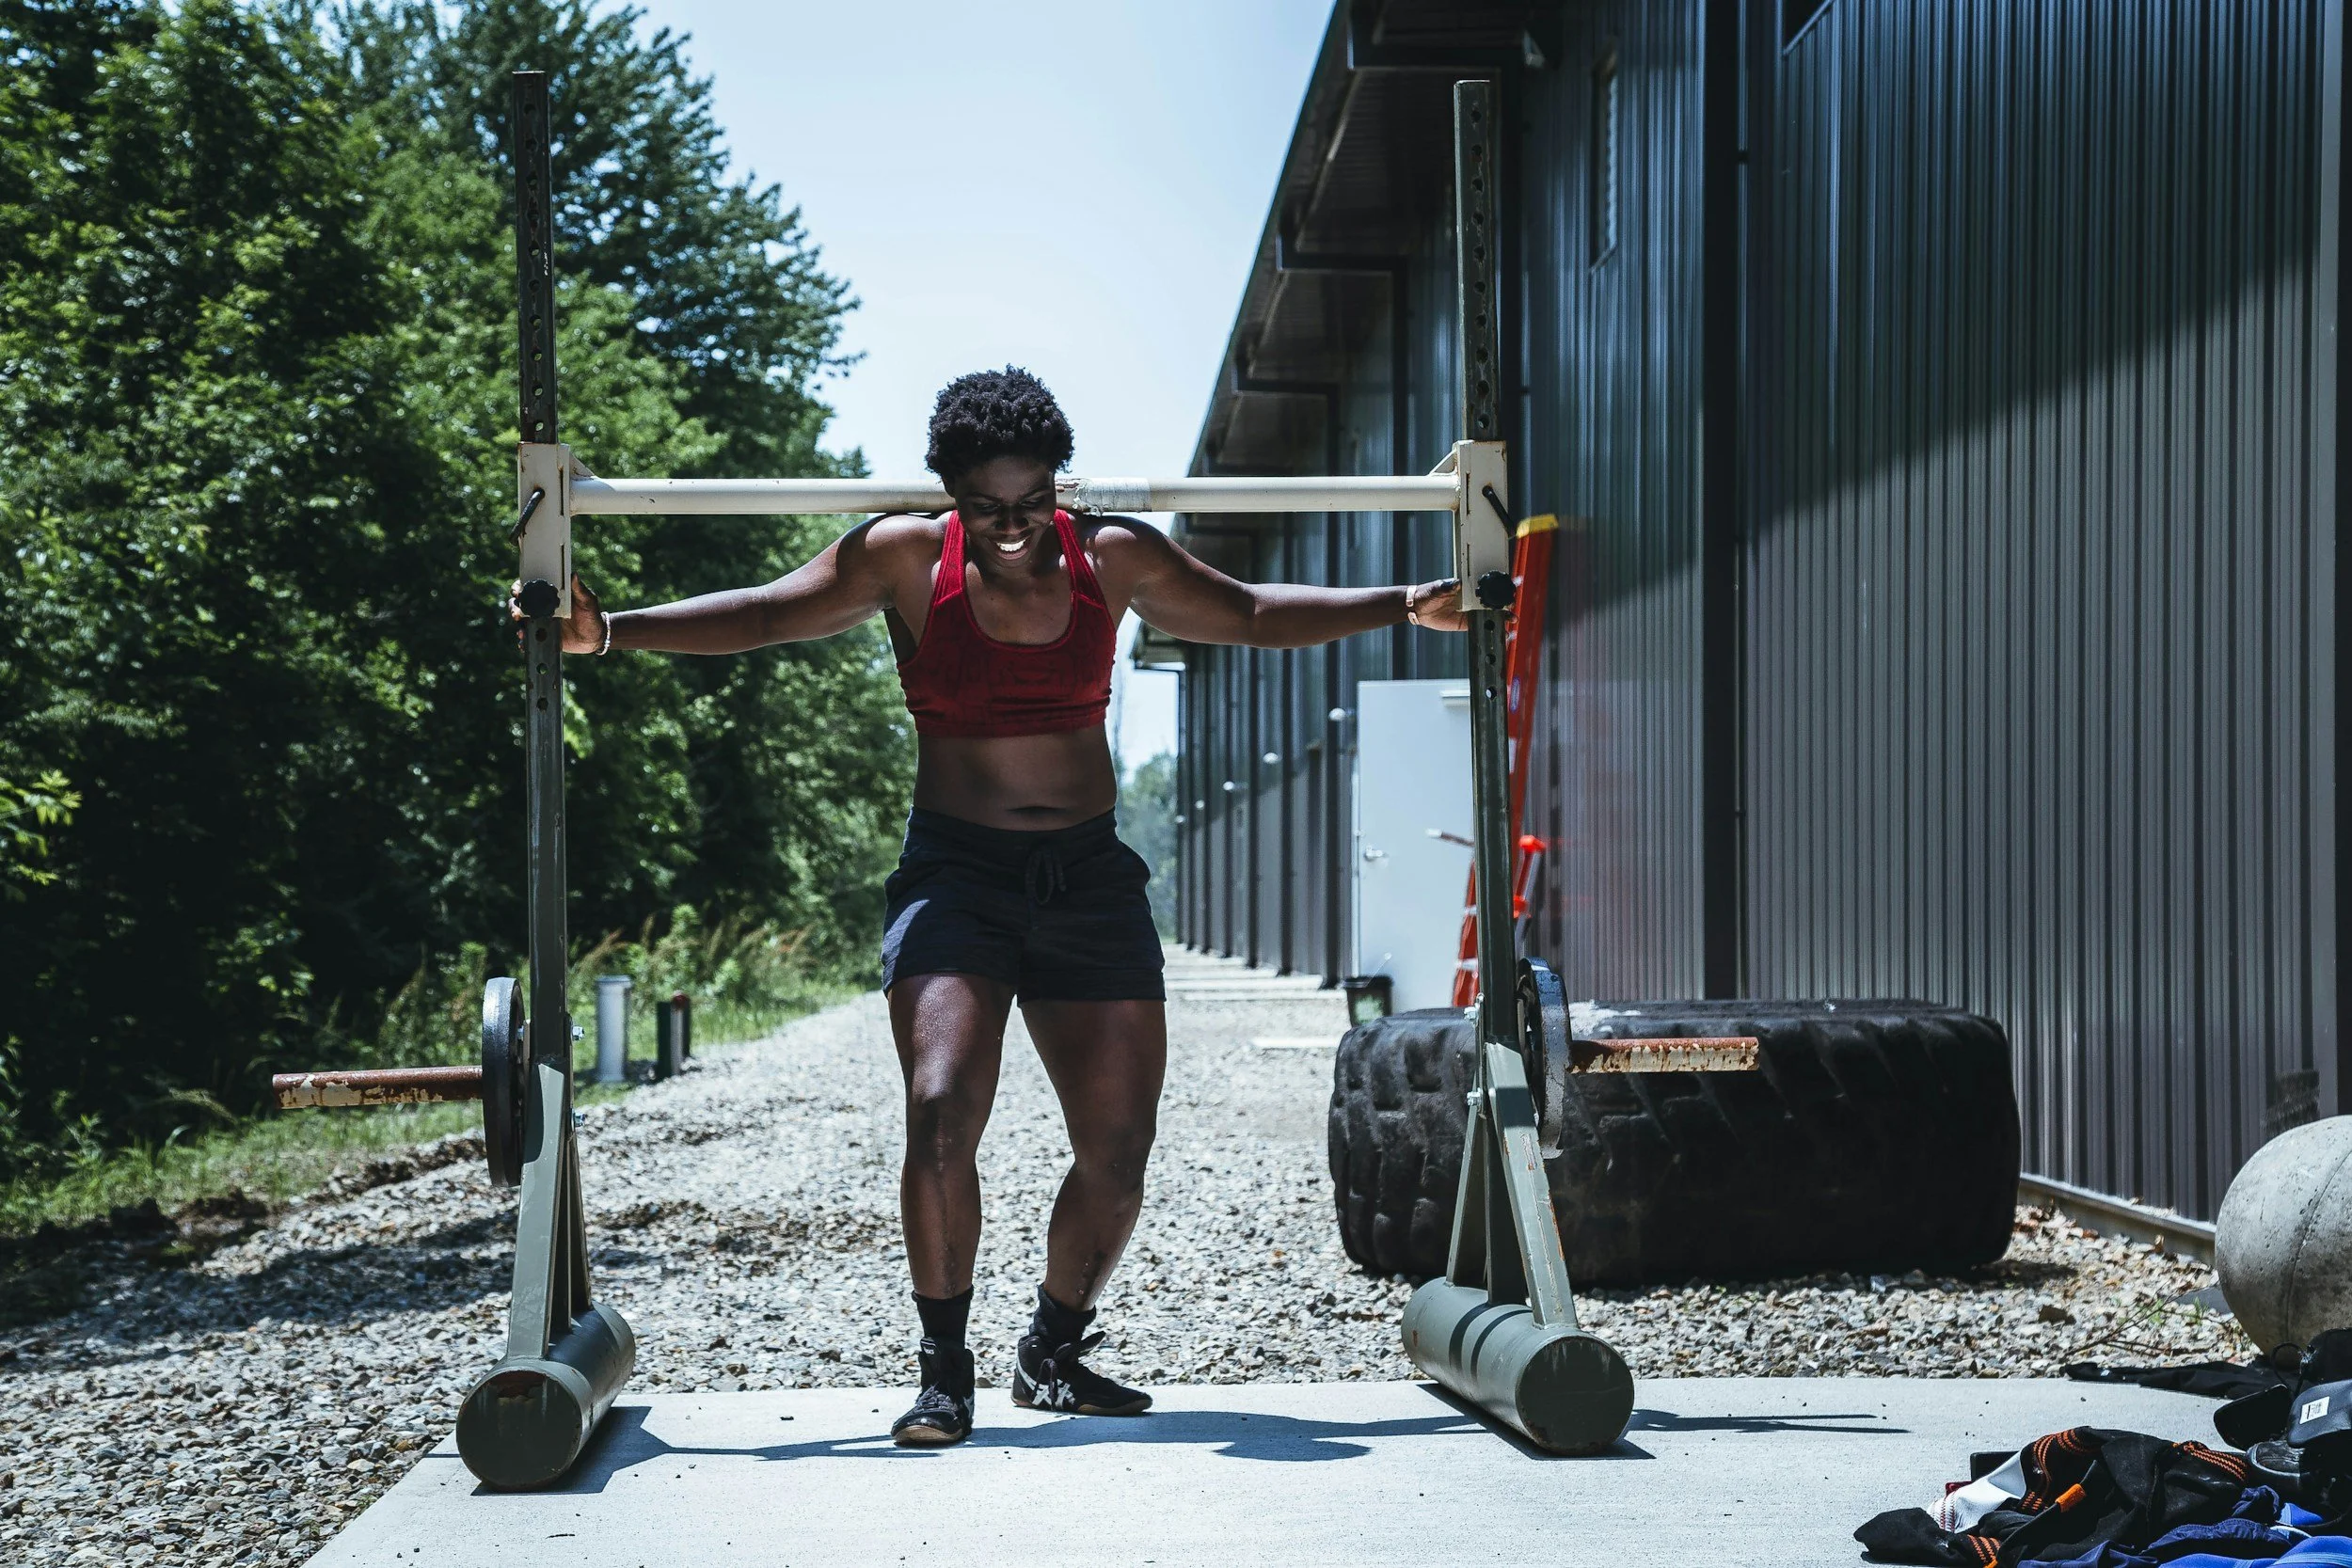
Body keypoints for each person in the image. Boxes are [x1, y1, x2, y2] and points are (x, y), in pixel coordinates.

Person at [531, 367, 1466, 1445]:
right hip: (956, 877)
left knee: (1118, 1148)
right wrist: (610, 632)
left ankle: (1053, 1348)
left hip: (1087, 877)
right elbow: (765, 613)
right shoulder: (903, 556)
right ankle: (943, 1372)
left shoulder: (1110, 554)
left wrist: (1400, 602)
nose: (1014, 528)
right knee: (939, 1106)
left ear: (1057, 488)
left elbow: (1249, 613)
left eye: (1033, 504)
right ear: (952, 494)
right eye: (988, 507)